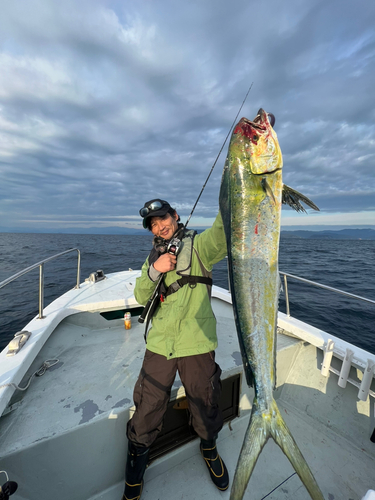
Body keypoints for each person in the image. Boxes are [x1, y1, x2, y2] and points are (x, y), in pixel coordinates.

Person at [122, 199, 229, 500]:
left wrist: (230, 194)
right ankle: (133, 478)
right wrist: (156, 269)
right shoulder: (153, 257)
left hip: (197, 341)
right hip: (160, 344)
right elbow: (142, 294)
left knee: (205, 402)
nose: (159, 226)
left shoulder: (200, 246)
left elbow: (222, 234)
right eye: (153, 225)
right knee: (146, 409)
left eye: (162, 219)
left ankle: (209, 449)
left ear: (175, 216)